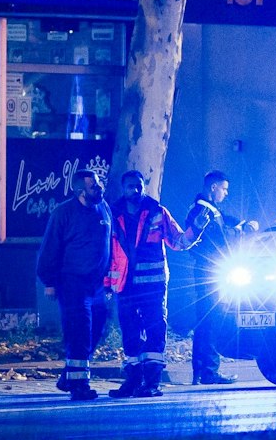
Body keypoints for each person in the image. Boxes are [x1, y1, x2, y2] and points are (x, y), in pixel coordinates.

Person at [110, 170, 199, 398]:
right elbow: (106, 252)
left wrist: (195, 229)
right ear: (123, 188)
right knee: (130, 334)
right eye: (131, 186)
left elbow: (178, 242)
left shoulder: (157, 212)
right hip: (125, 287)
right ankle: (132, 381)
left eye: (139, 186)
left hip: (153, 287)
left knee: (155, 331)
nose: (136, 190)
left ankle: (151, 383)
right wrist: (106, 284)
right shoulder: (112, 214)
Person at [34, 163, 114, 402]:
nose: (99, 188)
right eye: (93, 186)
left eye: (99, 183)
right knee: (79, 332)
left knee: (98, 328)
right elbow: (50, 248)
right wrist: (49, 281)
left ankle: (70, 374)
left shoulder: (104, 209)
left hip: (98, 285)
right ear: (80, 190)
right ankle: (80, 386)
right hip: (72, 284)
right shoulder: (63, 213)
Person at [179, 170, 255, 384]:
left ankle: (202, 371)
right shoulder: (203, 211)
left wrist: (242, 223)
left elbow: (226, 223)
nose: (226, 193)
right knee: (212, 321)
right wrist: (244, 231)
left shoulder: (205, 209)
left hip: (209, 271)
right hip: (212, 272)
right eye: (224, 189)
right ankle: (209, 371)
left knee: (206, 321)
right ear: (213, 187)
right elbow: (220, 239)